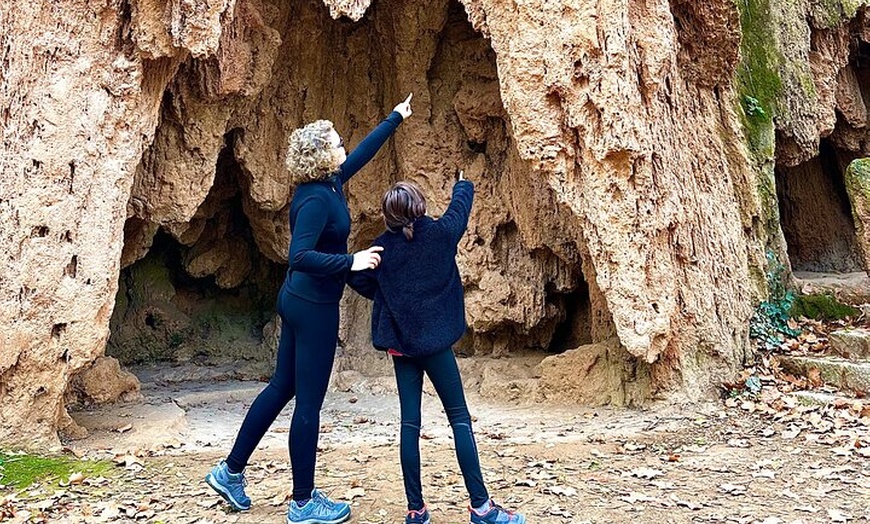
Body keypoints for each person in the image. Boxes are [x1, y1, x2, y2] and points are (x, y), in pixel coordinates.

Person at [206, 94, 413, 524]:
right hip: (313, 306)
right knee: (308, 404)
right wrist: (351, 261)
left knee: (282, 386)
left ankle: (230, 472)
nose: (342, 145)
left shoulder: (330, 183)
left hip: (301, 299)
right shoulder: (316, 200)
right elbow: (298, 254)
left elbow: (360, 155)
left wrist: (395, 117)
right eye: (335, 142)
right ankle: (303, 502)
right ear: (320, 156)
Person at [348, 171, 526, 524]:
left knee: (409, 424)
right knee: (459, 418)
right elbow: (460, 209)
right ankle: (481, 507)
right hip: (436, 345)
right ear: (421, 207)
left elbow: (356, 276)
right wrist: (462, 182)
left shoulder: (382, 250)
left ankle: (416, 510)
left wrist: (386, 295)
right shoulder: (441, 235)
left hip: (402, 347)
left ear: (388, 217)